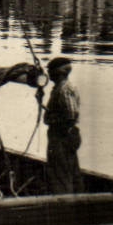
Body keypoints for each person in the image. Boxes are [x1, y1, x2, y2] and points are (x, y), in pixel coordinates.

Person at [43, 57, 84, 194]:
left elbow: (70, 116)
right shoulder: (62, 88)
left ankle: (63, 202)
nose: (48, 74)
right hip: (66, 135)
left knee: (60, 173)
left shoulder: (64, 90)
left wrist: (51, 120)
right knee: (70, 171)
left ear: (59, 73)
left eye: (50, 71)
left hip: (62, 136)